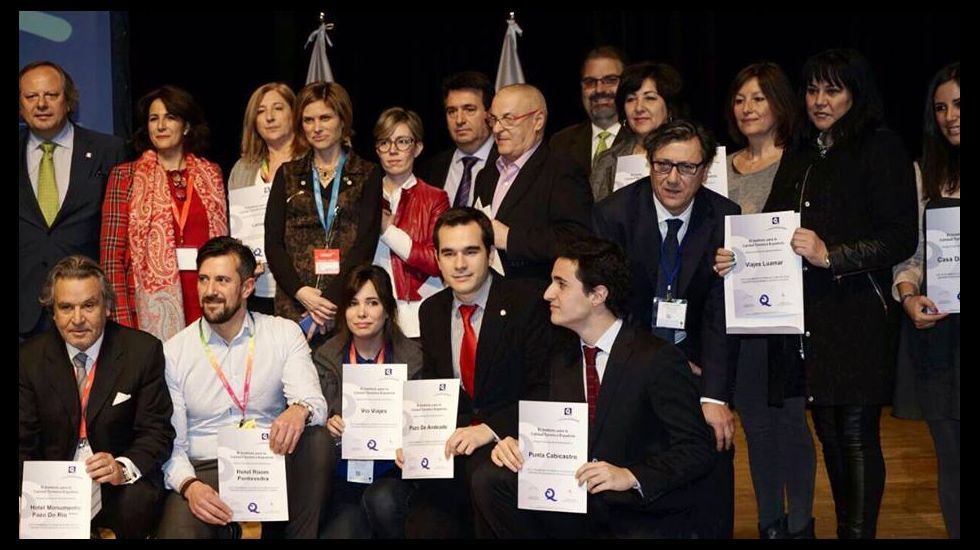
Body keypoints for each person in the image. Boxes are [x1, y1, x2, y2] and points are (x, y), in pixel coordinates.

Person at [717, 49, 918, 539]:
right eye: (812, 90)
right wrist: (737, 259)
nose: (820, 101)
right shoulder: (805, 151)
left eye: (833, 90)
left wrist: (834, 255)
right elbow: (774, 227)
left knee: (854, 433)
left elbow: (899, 237)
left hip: (859, 314)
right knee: (828, 431)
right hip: (811, 318)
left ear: (856, 93)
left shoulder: (881, 146)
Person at [471, 237, 715, 538]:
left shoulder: (656, 358)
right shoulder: (562, 357)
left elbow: (697, 448)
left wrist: (630, 476)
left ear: (597, 295)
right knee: (489, 478)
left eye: (561, 284)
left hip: (638, 509)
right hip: (577, 500)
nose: (548, 294)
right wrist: (520, 445)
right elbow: (557, 431)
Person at [364, 207, 552, 538]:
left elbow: (545, 390)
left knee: (482, 484)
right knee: (418, 522)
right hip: (452, 457)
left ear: (490, 253)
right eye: (449, 253)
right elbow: (438, 393)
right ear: (436, 258)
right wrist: (416, 438)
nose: (460, 264)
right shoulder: (432, 311)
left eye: (471, 252)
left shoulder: (528, 303)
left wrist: (491, 429)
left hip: (508, 450)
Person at [593, 120, 740, 538]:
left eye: (687, 168)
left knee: (716, 438)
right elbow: (612, 306)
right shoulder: (614, 215)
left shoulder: (724, 216)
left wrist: (714, 394)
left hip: (696, 363)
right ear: (648, 164)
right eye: (663, 166)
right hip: (633, 361)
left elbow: (719, 314)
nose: (673, 179)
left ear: (706, 170)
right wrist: (658, 368)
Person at [157, 237, 333, 539]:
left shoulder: (283, 333)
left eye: (223, 280)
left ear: (248, 287)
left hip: (271, 460)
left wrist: (299, 409)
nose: (210, 291)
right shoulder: (174, 352)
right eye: (204, 280)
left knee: (317, 440)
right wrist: (190, 486)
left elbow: (315, 403)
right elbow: (171, 442)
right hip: (206, 469)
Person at [723, 62, 817, 539]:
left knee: (790, 424)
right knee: (755, 427)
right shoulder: (721, 168)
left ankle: (801, 523)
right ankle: (768, 523)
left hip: (788, 312)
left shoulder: (803, 164)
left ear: (780, 104)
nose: (747, 108)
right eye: (740, 99)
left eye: (758, 98)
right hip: (736, 315)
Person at [20, 255, 175, 539]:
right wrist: (35, 489)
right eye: (66, 307)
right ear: (53, 312)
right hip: (53, 485)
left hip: (116, 483)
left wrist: (122, 467)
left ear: (107, 307)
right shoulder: (29, 359)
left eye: (88, 306)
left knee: (138, 503)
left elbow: (157, 432)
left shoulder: (142, 351)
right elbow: (22, 441)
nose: (77, 319)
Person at [891, 61, 959, 539]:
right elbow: (911, 256)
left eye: (959, 105)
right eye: (940, 108)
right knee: (952, 460)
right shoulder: (924, 173)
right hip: (942, 334)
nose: (949, 116)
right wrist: (908, 294)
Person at [101, 85, 228, 342]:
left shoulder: (211, 174)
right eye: (153, 119)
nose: (160, 126)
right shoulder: (126, 176)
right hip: (149, 308)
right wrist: (123, 323)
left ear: (187, 126)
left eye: (170, 117)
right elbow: (111, 258)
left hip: (208, 296)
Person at [264, 81, 381, 346]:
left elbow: (365, 244)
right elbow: (273, 243)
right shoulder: (287, 174)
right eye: (308, 120)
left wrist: (328, 301)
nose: (316, 128)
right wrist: (301, 293)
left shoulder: (367, 173)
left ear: (343, 121)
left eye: (325, 118)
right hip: (295, 304)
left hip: (345, 303)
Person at [313, 264, 423, 538]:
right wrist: (328, 429)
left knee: (383, 500)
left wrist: (411, 439)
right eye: (353, 303)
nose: (361, 313)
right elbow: (310, 421)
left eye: (372, 303)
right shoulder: (324, 358)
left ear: (387, 310)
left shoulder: (413, 358)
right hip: (343, 477)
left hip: (393, 475)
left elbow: (425, 426)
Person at [19, 61, 126, 340]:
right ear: (21, 105)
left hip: (87, 309)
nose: (41, 104)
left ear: (68, 101)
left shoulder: (109, 151)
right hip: (23, 312)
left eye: (51, 95)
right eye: (31, 97)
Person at [473, 83, 593, 287]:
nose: (497, 128)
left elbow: (576, 240)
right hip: (490, 295)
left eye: (508, 119)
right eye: (493, 119)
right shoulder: (487, 174)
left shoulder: (562, 170)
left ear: (537, 121)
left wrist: (510, 238)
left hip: (537, 298)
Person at [369, 107, 450, 338]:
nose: (393, 150)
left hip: (416, 310)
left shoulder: (435, 197)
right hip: (371, 310)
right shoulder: (363, 196)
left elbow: (438, 261)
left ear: (418, 147)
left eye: (403, 141)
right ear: (377, 149)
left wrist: (386, 230)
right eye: (385, 142)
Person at [229, 82, 305, 315]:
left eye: (278, 108)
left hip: (302, 285)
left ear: (294, 113)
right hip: (257, 289)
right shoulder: (243, 168)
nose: (269, 117)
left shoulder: (312, 162)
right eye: (261, 112)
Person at [590, 61, 685, 201]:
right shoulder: (607, 160)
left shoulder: (696, 153)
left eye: (650, 98)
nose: (639, 107)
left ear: (669, 107)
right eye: (631, 99)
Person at [416, 71, 497, 208]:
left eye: (469, 109)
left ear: (489, 114)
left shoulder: (508, 164)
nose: (459, 120)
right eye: (452, 111)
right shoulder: (428, 170)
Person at [549, 46, 628, 178]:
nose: (599, 89)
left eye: (610, 80)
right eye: (590, 82)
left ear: (626, 84)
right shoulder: (561, 142)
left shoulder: (641, 140)